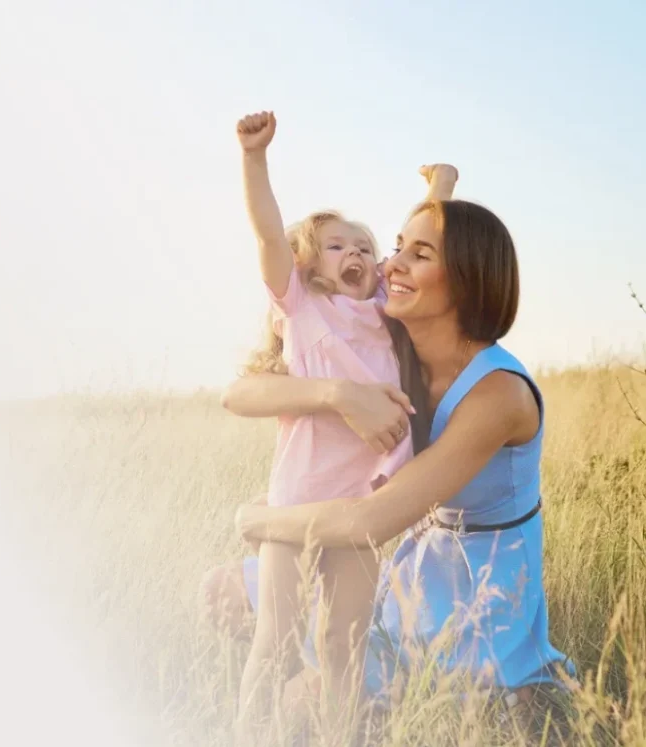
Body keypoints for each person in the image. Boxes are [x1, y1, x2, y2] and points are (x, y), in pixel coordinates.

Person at [204, 193, 575, 727]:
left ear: (467, 278)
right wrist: (336, 394)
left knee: (304, 707)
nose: (390, 262)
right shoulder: (398, 343)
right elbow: (238, 394)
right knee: (222, 591)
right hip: (418, 570)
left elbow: (368, 522)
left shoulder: (499, 394)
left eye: (417, 254)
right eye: (395, 247)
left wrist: (259, 519)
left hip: (477, 597)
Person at [231, 111, 457, 738]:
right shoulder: (302, 308)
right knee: (277, 641)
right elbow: (269, 236)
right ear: (308, 267)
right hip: (298, 498)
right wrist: (254, 160)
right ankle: (249, 732)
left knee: (342, 645)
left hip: (361, 503)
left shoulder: (385, 311)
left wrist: (440, 189)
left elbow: (418, 249)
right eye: (337, 246)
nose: (356, 253)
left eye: (363, 245)